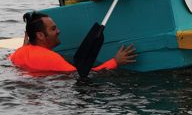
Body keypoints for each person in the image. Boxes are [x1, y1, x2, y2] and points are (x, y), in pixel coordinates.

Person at [9, 12, 137, 74]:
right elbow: (83, 75)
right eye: (53, 29)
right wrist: (115, 62)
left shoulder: (18, 53)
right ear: (40, 35)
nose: (58, 31)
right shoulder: (52, 58)